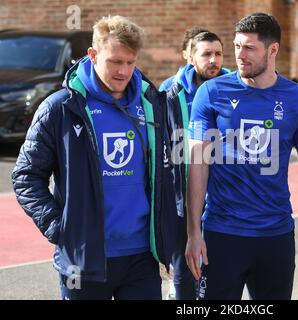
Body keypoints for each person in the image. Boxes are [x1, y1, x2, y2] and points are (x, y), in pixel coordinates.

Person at [11, 15, 178, 300]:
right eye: (115, 61)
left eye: (130, 62)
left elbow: (167, 171)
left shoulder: (152, 104)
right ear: (93, 54)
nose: (123, 71)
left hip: (142, 256)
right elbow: (26, 176)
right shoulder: (60, 107)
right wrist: (59, 227)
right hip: (84, 258)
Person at [185, 12, 298, 300]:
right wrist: (193, 233)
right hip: (222, 233)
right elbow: (197, 164)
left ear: (273, 49)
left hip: (275, 236)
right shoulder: (212, 93)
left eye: (250, 48)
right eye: (237, 46)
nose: (240, 55)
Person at [165, 31, 229, 300]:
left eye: (218, 53)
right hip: (185, 199)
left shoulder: (235, 87)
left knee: (220, 276)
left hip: (225, 199)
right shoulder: (170, 92)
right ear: (190, 57)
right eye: (206, 54)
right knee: (186, 277)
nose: (213, 60)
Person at [159, 26, 209, 92]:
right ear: (184, 54)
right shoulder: (169, 86)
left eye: (205, 51)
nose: (197, 55)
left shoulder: (225, 82)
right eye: (193, 49)